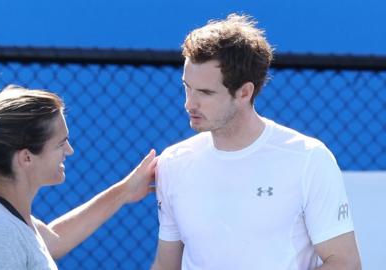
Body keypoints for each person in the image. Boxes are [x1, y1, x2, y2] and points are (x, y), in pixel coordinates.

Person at [152, 14, 361, 270]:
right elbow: (165, 265)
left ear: (244, 93)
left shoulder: (310, 159)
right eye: (187, 87)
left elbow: (345, 263)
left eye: (205, 93)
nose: (189, 103)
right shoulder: (173, 163)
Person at [0, 85, 157, 270]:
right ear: (26, 158)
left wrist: (127, 189)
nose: (69, 150)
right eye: (60, 144)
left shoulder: (7, 218)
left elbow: (54, 239)